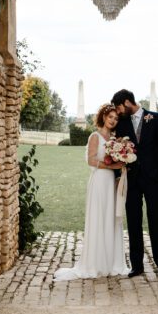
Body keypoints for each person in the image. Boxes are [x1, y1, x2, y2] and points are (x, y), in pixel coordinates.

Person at [53, 103, 130, 281]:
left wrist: (120, 166)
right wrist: (113, 165)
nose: (113, 120)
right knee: (98, 217)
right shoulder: (95, 136)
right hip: (99, 181)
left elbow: (115, 159)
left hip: (111, 182)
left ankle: (112, 262)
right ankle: (96, 263)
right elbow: (91, 160)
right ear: (103, 117)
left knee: (110, 217)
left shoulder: (115, 139)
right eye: (110, 117)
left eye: (116, 118)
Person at [112, 89, 158, 278]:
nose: (119, 112)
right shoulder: (122, 123)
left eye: (119, 107)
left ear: (127, 102)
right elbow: (116, 149)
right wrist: (119, 175)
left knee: (156, 219)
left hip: (152, 179)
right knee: (134, 221)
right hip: (131, 179)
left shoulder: (156, 118)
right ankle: (136, 265)